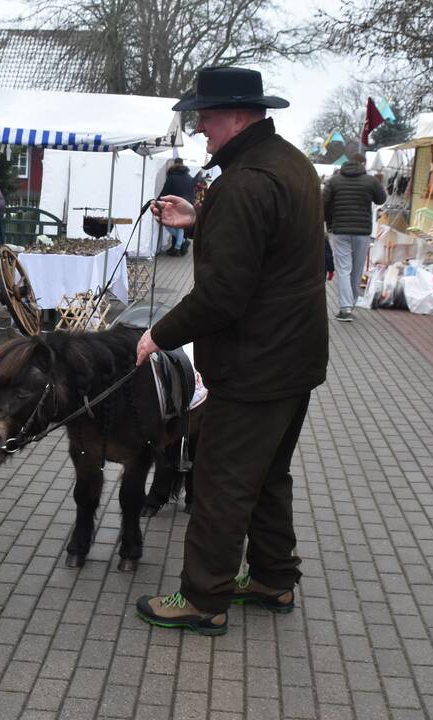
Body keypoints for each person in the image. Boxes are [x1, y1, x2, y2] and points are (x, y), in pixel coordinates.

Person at [133, 67, 328, 635]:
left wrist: (158, 334)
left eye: (206, 117)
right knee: (267, 474)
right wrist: (201, 219)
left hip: (256, 362)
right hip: (293, 358)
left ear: (239, 115)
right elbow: (270, 245)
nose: (199, 129)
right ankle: (272, 578)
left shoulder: (243, 181)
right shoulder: (286, 161)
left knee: (221, 481)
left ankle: (203, 597)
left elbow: (223, 295)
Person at [324, 152, 386, 321]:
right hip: (362, 232)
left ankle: (345, 308)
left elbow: (323, 204)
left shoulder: (334, 181)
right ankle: (351, 302)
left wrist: (329, 222)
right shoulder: (370, 180)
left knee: (343, 269)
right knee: (357, 269)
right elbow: (381, 199)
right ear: (363, 164)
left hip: (340, 231)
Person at [158, 158, 196, 256]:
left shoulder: (171, 177)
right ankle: (179, 246)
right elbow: (192, 192)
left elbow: (165, 192)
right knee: (180, 227)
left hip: (175, 205)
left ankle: (179, 245)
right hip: (188, 204)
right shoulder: (189, 177)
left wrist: (158, 201)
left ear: (174, 165)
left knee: (172, 226)